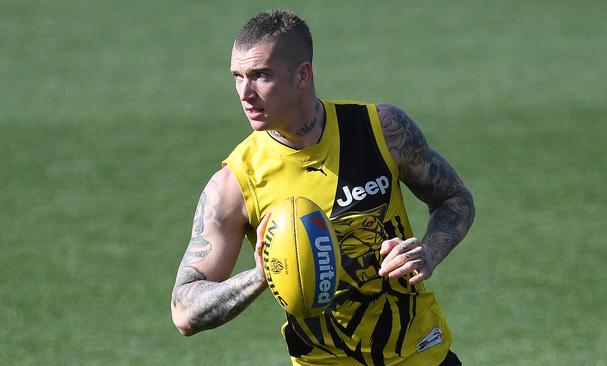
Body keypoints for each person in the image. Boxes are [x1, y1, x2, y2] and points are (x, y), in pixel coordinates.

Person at [171, 9, 475, 366]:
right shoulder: (235, 183)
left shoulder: (381, 129)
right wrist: (259, 276)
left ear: (303, 75)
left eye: (260, 76)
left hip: (424, 356)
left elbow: (454, 198)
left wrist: (428, 252)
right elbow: (184, 310)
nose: (244, 92)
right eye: (237, 77)